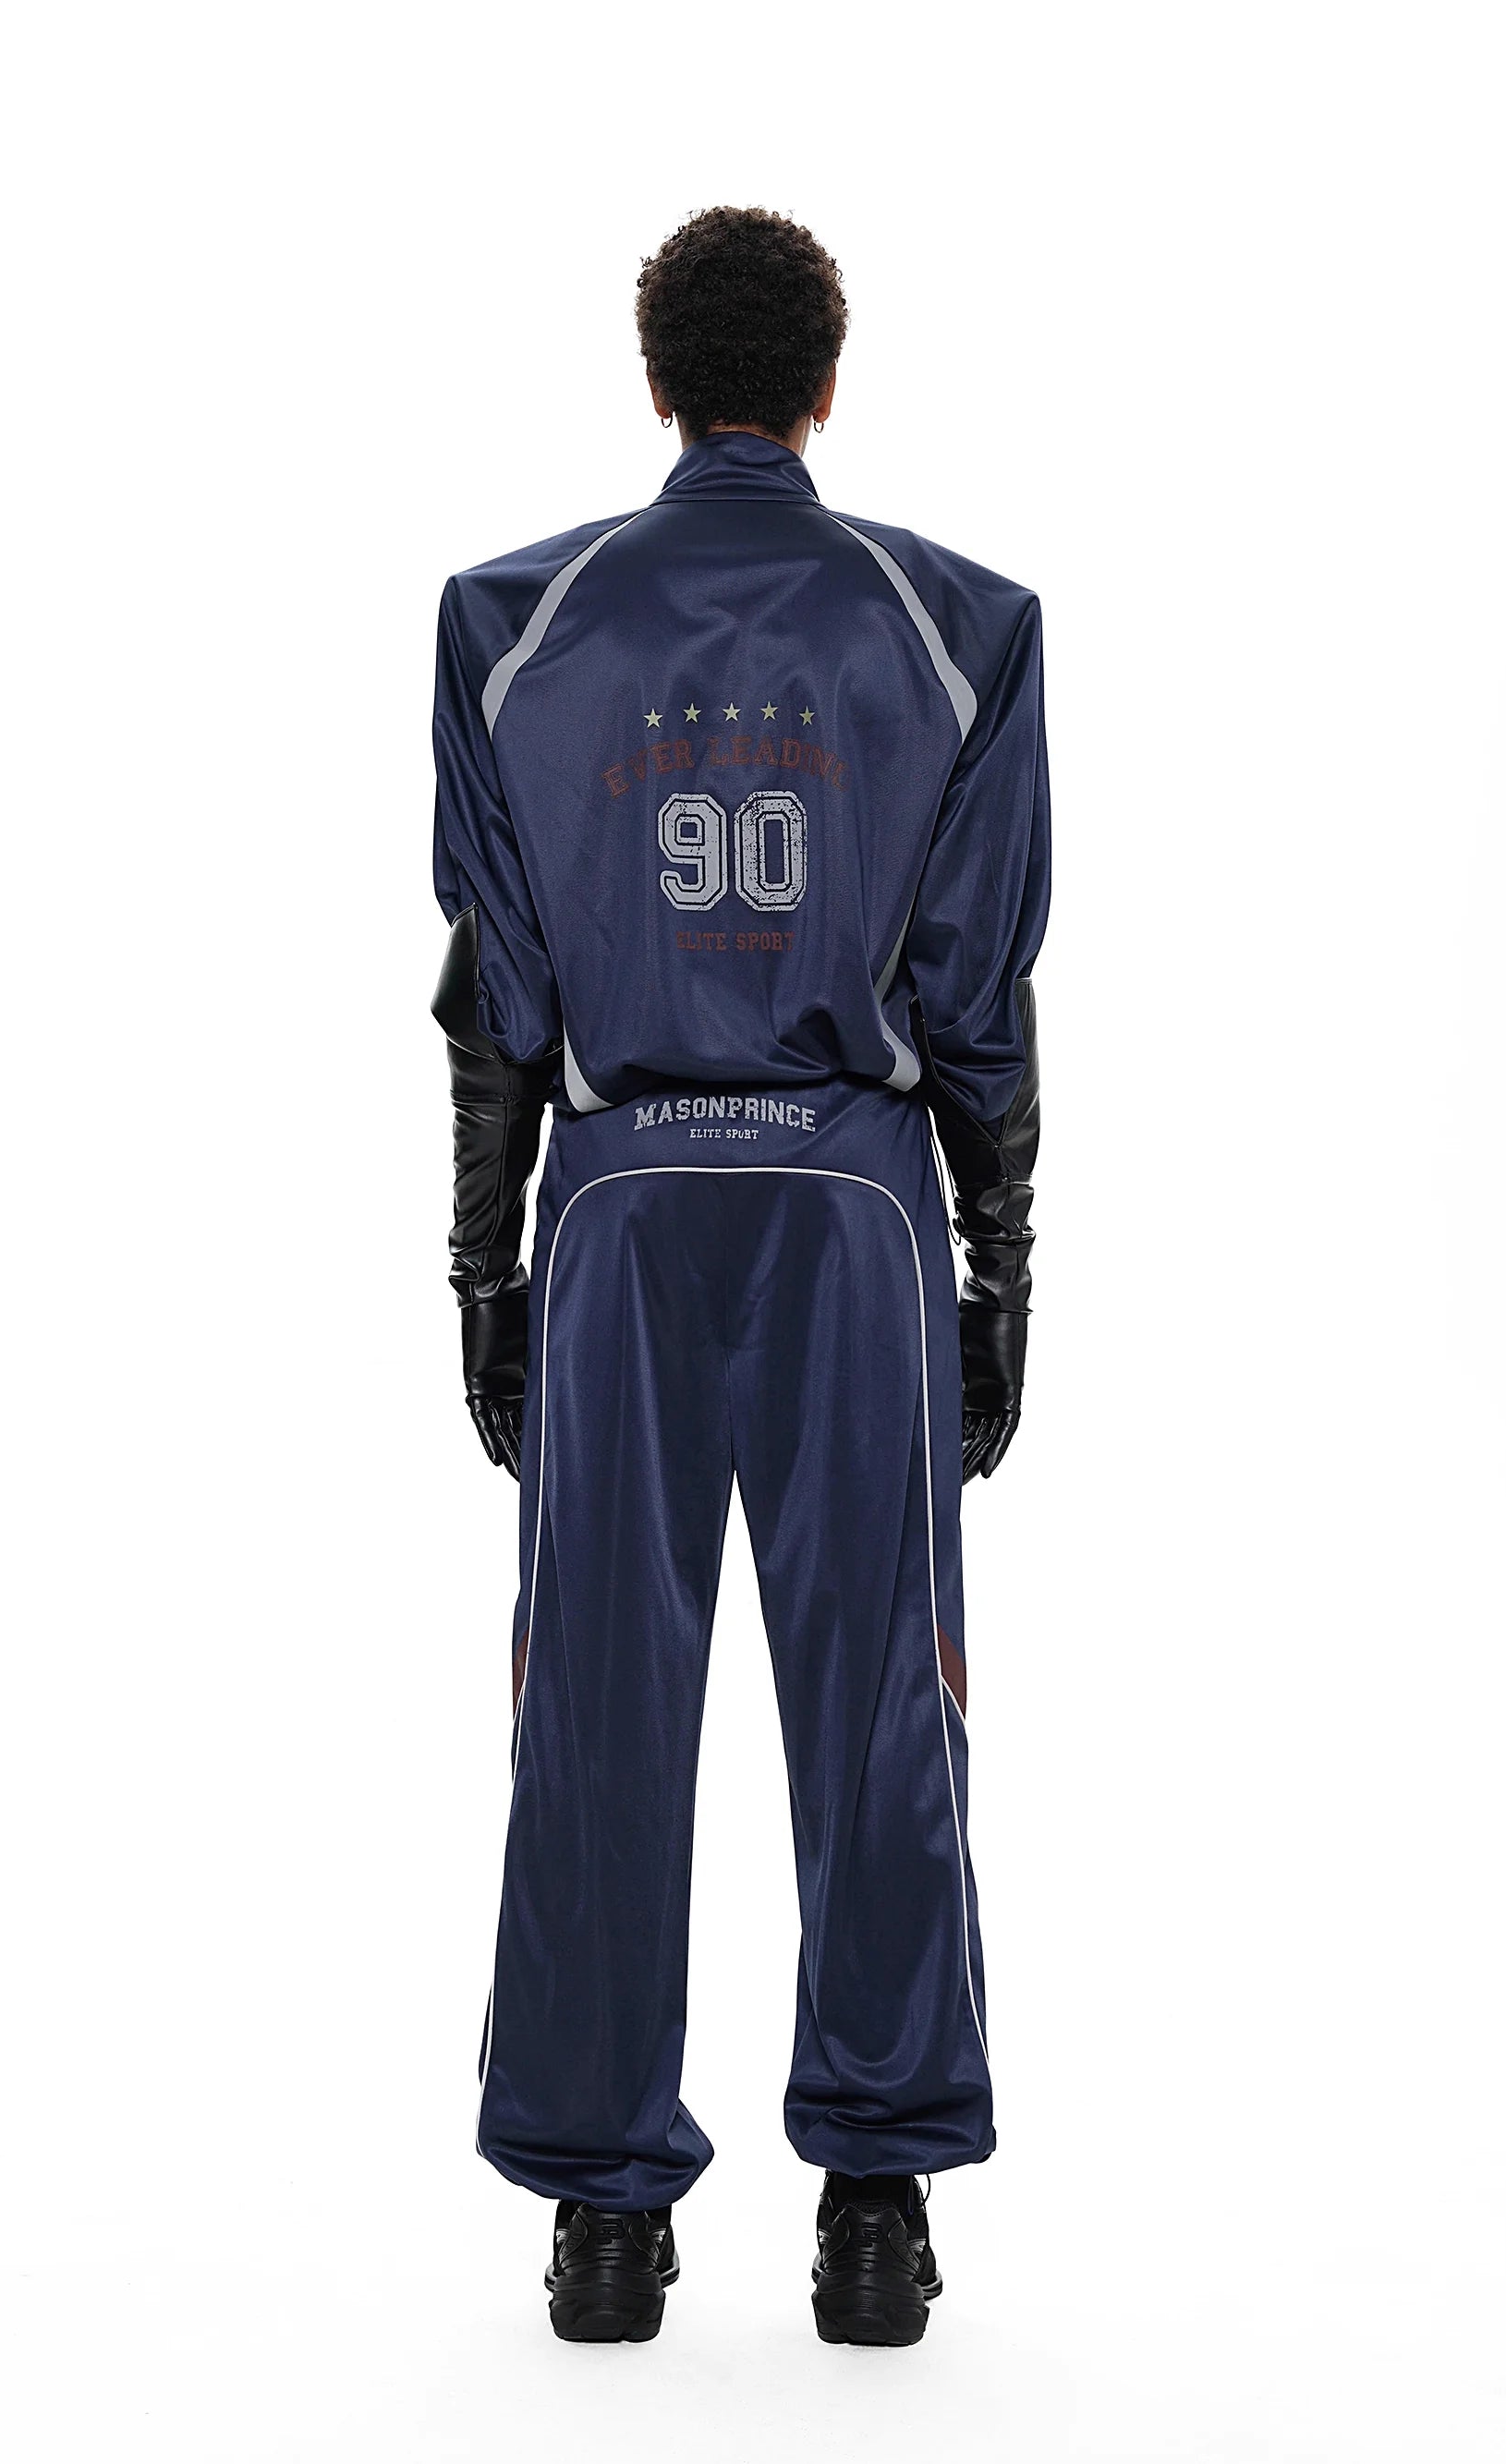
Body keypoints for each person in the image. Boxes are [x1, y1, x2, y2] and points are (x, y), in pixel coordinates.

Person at [431, 206, 1049, 2347]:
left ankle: (602, 2223)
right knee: (881, 1691)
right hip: (853, 1202)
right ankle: (873, 2210)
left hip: (613, 1202)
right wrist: (1002, 1272)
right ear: (825, 385)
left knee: (594, 1700)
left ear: (656, 381)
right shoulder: (959, 627)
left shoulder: (510, 623)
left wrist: (481, 1271)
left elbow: (495, 993)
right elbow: (977, 995)